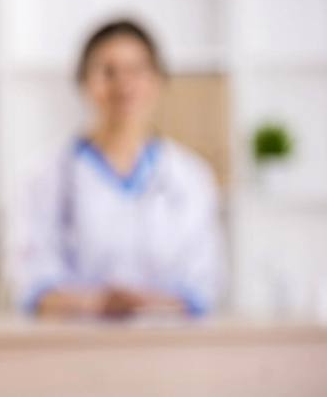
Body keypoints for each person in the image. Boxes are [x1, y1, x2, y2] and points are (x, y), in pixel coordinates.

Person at [13, 20, 225, 319]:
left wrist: (144, 304)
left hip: (168, 347)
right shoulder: (44, 176)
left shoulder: (191, 177)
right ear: (83, 82)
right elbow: (33, 285)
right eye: (107, 72)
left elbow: (203, 285)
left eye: (137, 70)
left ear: (159, 81)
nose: (123, 85)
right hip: (73, 351)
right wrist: (98, 304)